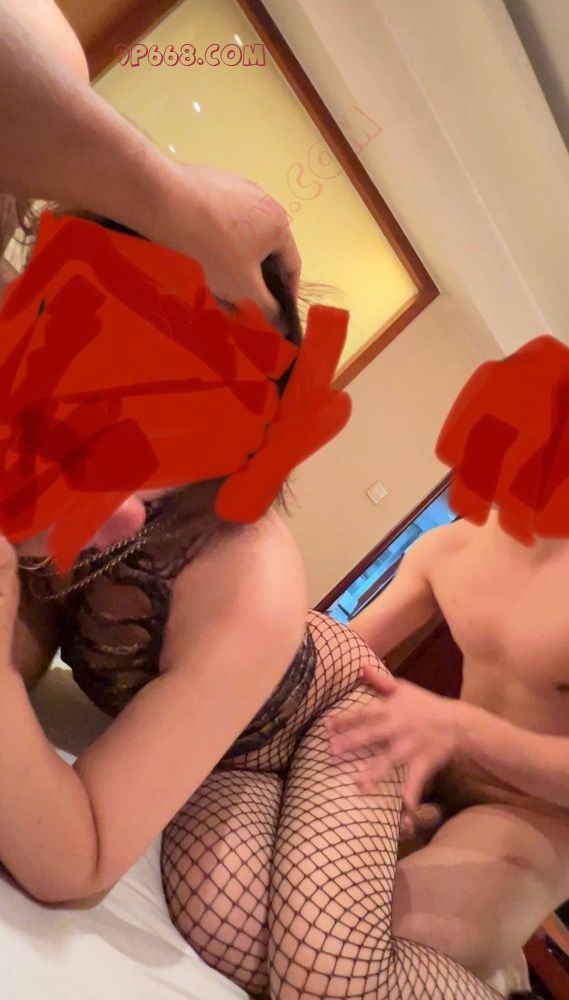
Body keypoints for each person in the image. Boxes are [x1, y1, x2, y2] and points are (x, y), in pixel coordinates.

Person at [328, 507, 569, 988]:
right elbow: (347, 653)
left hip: (539, 814)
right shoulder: (450, 546)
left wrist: (463, 726)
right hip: (437, 768)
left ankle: (494, 959)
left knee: (386, 946)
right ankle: (501, 963)